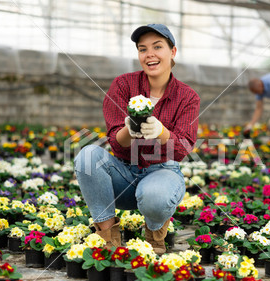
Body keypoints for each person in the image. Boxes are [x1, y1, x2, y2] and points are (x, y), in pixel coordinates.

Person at [74, 24, 200, 254]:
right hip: (123, 173)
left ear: (173, 52)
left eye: (157, 47)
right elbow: (114, 141)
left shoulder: (187, 97)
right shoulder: (123, 85)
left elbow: (182, 149)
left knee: (155, 196)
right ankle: (108, 238)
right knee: (88, 156)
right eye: (143, 49)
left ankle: (155, 234)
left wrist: (161, 132)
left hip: (162, 172)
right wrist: (129, 129)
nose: (149, 54)